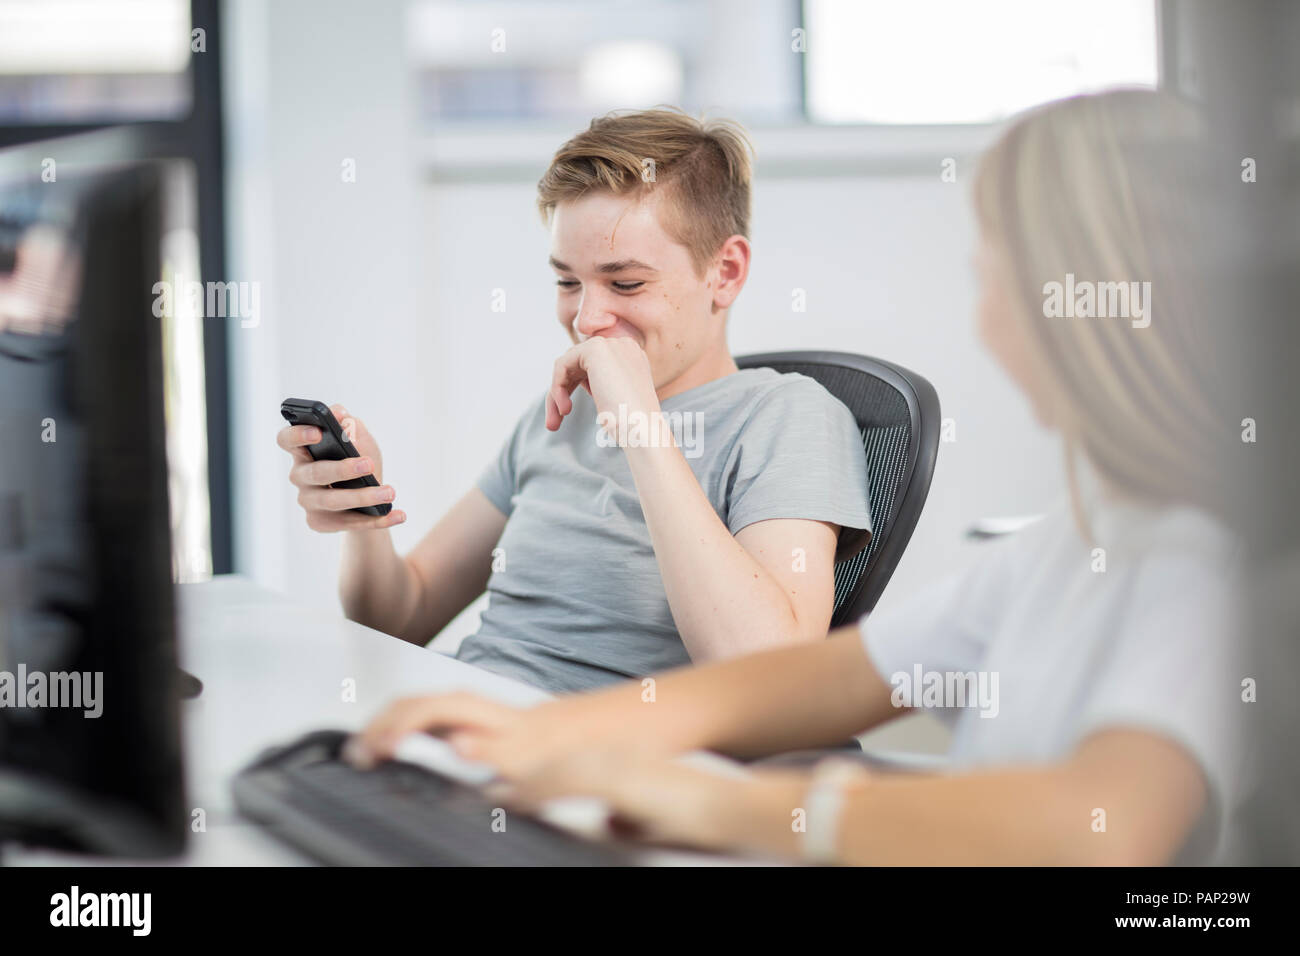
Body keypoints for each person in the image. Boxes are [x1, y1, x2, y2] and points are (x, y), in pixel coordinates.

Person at [347, 89, 1249, 866]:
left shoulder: (1211, 563)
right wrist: (528, 736)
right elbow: (807, 688)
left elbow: (1098, 834)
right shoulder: (1064, 550)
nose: (984, 322)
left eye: (994, 281)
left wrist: (718, 804)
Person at [276, 108, 873, 694]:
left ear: (725, 271)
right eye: (567, 282)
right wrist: (363, 516)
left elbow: (766, 676)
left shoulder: (788, 415)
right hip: (462, 723)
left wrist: (640, 425)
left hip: (589, 764)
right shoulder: (558, 418)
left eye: (627, 283)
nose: (586, 319)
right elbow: (400, 620)